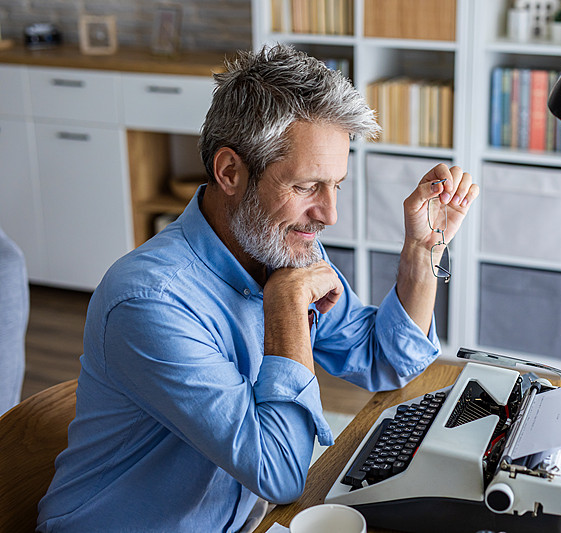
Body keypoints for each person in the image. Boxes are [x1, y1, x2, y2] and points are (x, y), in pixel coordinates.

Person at [37, 44, 478, 532]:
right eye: (307, 187)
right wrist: (287, 310)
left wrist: (422, 249)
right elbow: (280, 474)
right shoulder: (150, 302)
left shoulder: (278, 246)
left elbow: (386, 360)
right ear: (230, 172)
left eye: (337, 185)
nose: (329, 215)